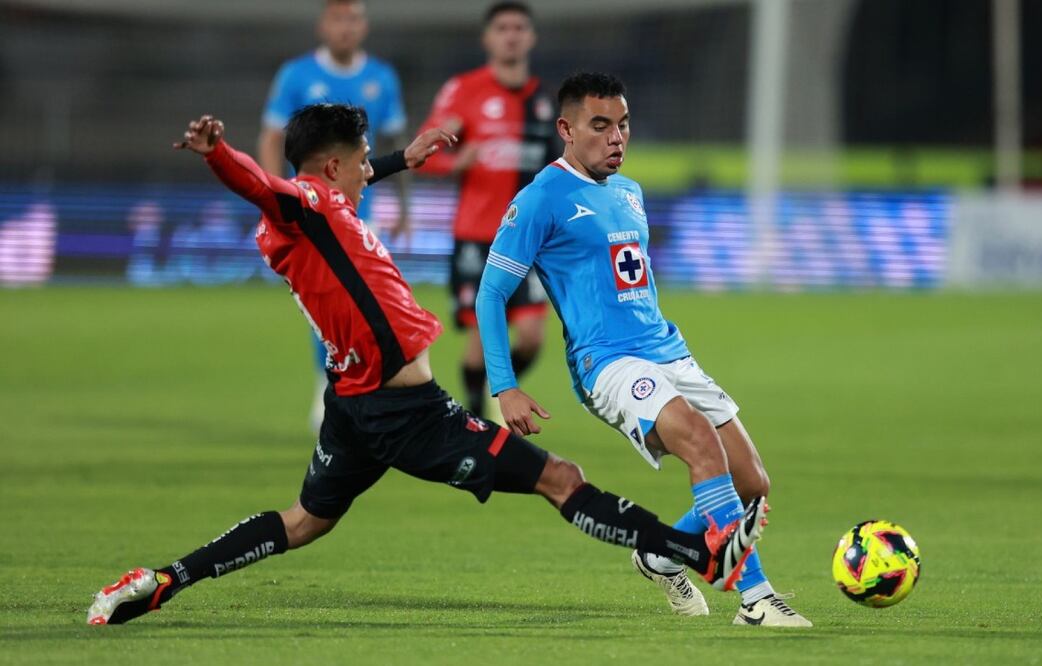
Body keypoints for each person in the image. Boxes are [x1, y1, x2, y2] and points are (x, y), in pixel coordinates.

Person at [85, 105, 765, 625]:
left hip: (352, 405)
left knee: (305, 520)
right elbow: (267, 187)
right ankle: (694, 553)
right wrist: (218, 155)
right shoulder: (311, 205)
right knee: (561, 478)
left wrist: (401, 159)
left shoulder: (326, 206)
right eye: (357, 164)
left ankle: (165, 580)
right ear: (328, 171)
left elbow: (329, 184)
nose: (363, 175)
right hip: (406, 414)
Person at [475, 73, 811, 627]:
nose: (616, 138)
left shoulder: (630, 193)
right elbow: (490, 294)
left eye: (623, 125)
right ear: (566, 128)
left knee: (752, 484)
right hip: (605, 362)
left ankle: (660, 553)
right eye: (600, 125)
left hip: (668, 351)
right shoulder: (540, 199)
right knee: (701, 443)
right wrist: (504, 385)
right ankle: (756, 599)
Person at [257, 0, 410, 430]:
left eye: (355, 19)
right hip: (311, 211)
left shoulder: (382, 78)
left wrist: (404, 205)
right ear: (324, 24)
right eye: (339, 18)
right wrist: (276, 199)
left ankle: (362, 387)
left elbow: (394, 138)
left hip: (364, 210)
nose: (347, 27)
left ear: (364, 26)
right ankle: (328, 388)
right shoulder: (296, 75)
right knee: (327, 305)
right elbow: (270, 138)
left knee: (368, 303)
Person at [417, 1, 557, 419]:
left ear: (530, 37)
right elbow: (424, 154)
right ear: (488, 38)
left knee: (532, 336)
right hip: (478, 235)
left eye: (519, 27)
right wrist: (453, 161)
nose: (511, 35)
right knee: (481, 335)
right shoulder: (463, 91)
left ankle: (504, 393)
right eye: (502, 28)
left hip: (530, 237)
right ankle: (477, 414)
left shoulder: (545, 102)